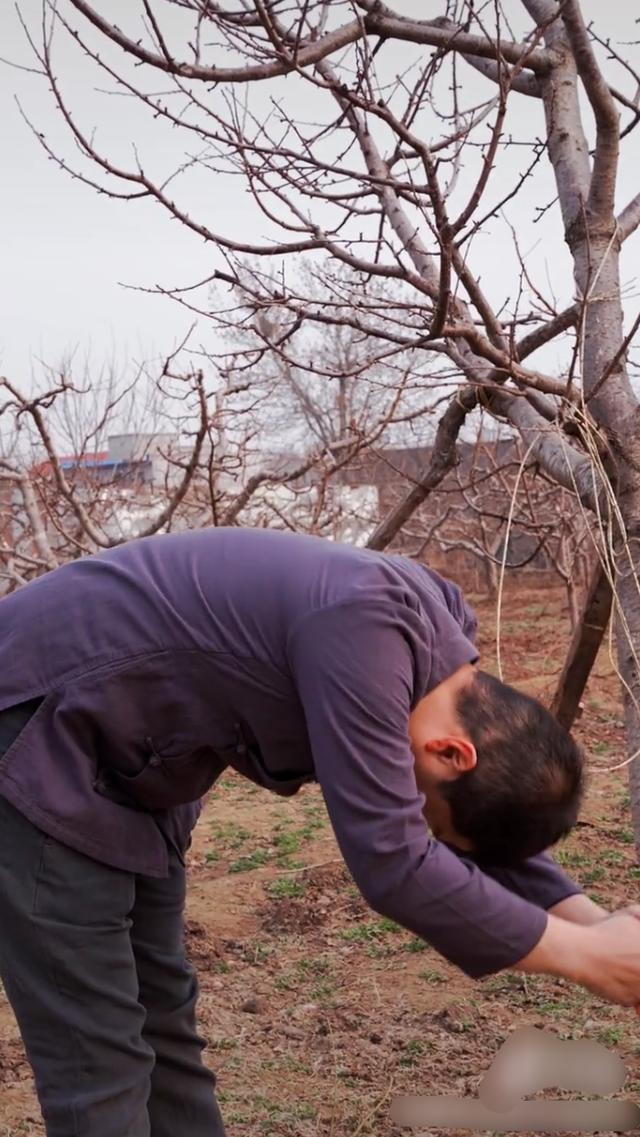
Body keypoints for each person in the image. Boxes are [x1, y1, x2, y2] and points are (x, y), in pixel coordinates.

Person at [1, 525, 639, 1137]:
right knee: (100, 1058)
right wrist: (586, 959)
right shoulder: (362, 633)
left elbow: (471, 829)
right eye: (428, 814)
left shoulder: (435, 640)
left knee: (163, 1023)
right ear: (453, 754)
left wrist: (593, 922)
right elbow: (396, 862)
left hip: (133, 764)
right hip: (39, 731)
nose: (408, 809)